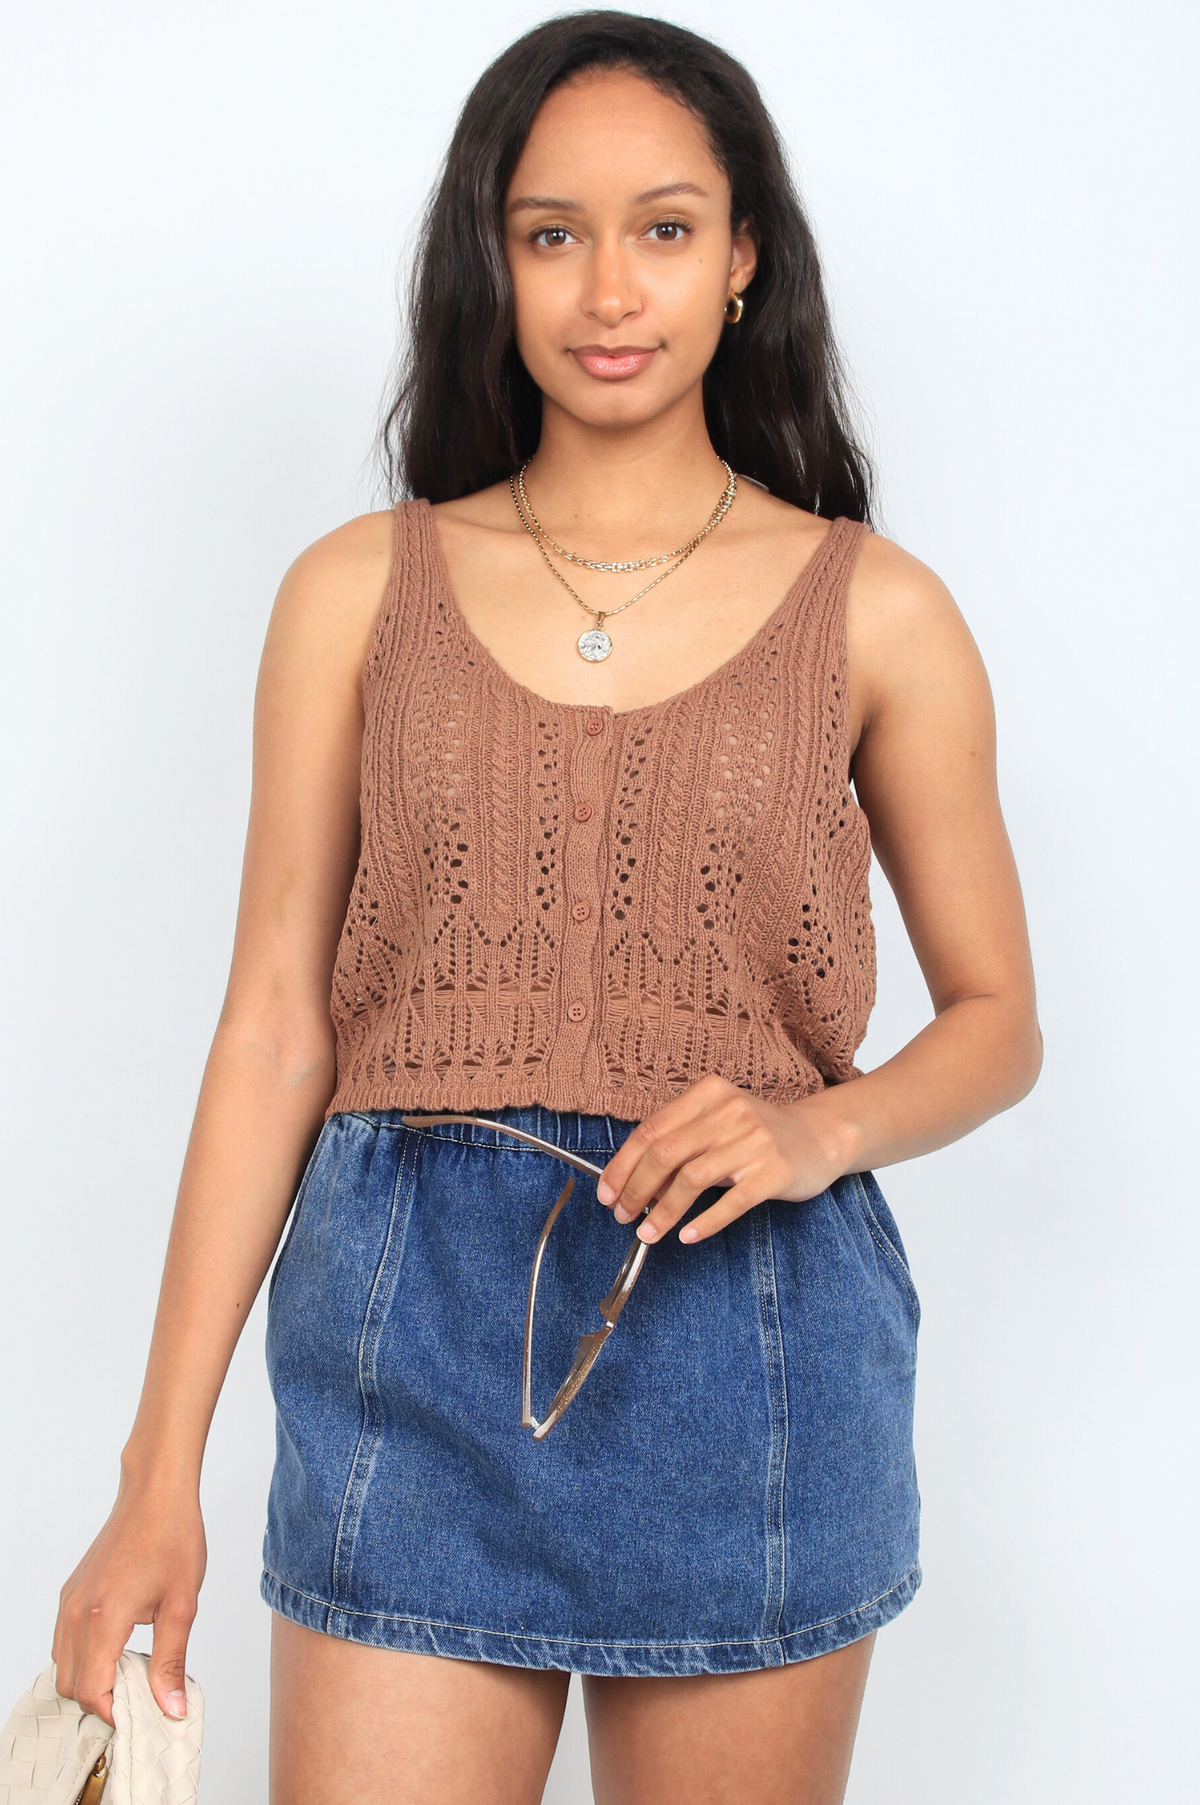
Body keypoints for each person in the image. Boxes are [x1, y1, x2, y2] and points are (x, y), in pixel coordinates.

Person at [49, 11, 1042, 1803]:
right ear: (489, 261)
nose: (609, 289)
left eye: (665, 228)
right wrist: (155, 1469)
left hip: (752, 1339)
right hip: (404, 1341)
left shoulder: (878, 610)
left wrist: (817, 1129)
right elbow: (273, 1029)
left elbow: (999, 1021)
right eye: (551, 232)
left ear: (744, 259)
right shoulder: (356, 592)